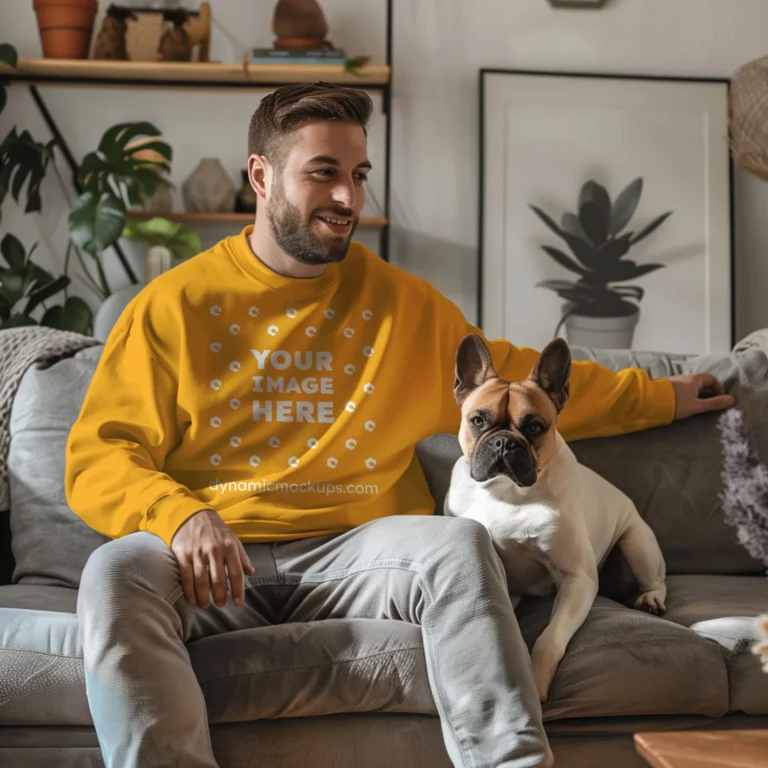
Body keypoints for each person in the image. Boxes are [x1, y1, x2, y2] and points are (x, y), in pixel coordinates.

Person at [65, 82, 734, 768]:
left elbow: (521, 384)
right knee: (114, 573)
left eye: (359, 176)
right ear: (261, 177)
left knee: (458, 546)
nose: (349, 199)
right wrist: (179, 518)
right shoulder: (171, 307)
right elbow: (97, 456)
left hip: (360, 553)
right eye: (323, 173)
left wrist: (662, 397)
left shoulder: (405, 307)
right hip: (214, 559)